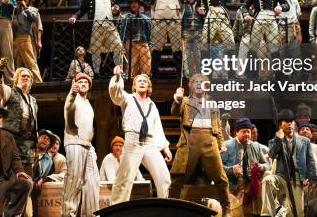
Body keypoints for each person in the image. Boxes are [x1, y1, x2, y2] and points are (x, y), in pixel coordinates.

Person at [109, 66, 172, 204]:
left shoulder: (152, 105)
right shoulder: (128, 98)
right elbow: (116, 95)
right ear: (134, 86)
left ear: (148, 86)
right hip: (133, 142)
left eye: (145, 81)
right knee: (125, 178)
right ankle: (115, 209)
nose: (142, 82)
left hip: (149, 143)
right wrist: (118, 78)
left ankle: (165, 207)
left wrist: (165, 148)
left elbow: (157, 128)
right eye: (139, 81)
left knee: (163, 176)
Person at [169, 74, 230, 214]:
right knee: (178, 177)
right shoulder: (184, 101)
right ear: (190, 86)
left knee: (220, 177)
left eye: (201, 82)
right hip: (190, 141)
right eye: (195, 82)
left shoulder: (213, 103)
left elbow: (217, 126)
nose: (198, 84)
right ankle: (171, 209)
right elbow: (174, 112)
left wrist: (221, 142)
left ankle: (227, 208)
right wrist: (177, 100)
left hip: (210, 141)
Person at [260, 109, 317, 217]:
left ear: (294, 123)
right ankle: (267, 214)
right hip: (281, 176)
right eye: (286, 122)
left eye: (291, 121)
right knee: (267, 180)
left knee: (297, 213)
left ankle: (283, 212)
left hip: (296, 178)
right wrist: (278, 139)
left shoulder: (304, 141)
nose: (290, 124)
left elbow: (310, 160)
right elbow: (272, 155)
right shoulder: (275, 141)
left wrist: (312, 177)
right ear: (281, 125)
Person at [69, 0, 123, 73]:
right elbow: (82, 9)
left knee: (118, 47)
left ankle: (119, 70)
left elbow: (115, 10)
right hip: (96, 25)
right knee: (96, 50)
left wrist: (116, 11)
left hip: (110, 25)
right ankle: (96, 73)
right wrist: (74, 17)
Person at [63, 72, 100, 217]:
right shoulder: (73, 98)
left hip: (88, 145)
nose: (83, 84)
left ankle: (91, 214)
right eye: (80, 82)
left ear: (89, 86)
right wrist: (72, 93)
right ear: (76, 84)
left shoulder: (88, 103)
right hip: (74, 143)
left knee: (92, 182)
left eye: (86, 82)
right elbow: (68, 106)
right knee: (74, 181)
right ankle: (68, 215)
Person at [0, 67, 38, 175]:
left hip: (27, 143)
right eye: (23, 76)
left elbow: (34, 121)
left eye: (28, 76)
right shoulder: (10, 92)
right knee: (12, 174)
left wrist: (35, 141)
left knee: (28, 176)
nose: (26, 78)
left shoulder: (33, 100)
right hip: (11, 138)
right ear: (17, 79)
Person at [223, 117, 271, 217]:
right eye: (244, 132)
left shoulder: (256, 146)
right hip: (233, 186)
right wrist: (231, 169)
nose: (247, 134)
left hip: (250, 186)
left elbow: (268, 164)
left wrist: (261, 166)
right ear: (236, 132)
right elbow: (219, 168)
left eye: (248, 132)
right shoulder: (227, 145)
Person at [12, 0, 43, 83]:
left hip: (27, 38)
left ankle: (37, 82)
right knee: (18, 63)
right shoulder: (16, 11)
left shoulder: (32, 10)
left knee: (31, 61)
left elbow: (38, 26)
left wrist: (39, 41)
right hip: (16, 39)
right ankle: (19, 83)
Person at [118, 0, 152, 77]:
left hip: (143, 43)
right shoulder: (126, 18)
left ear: (139, 5)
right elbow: (122, 32)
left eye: (136, 3)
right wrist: (122, 45)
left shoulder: (145, 18)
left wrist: (149, 44)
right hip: (131, 44)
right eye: (132, 3)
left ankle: (145, 80)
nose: (133, 5)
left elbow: (149, 32)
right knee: (131, 69)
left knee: (146, 67)